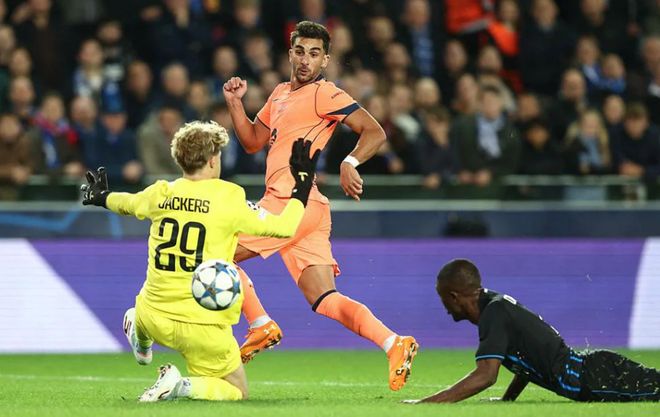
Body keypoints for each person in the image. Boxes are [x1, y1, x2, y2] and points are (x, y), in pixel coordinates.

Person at [223, 20, 418, 391]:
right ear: (290, 53)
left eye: (314, 54)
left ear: (325, 60)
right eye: (300, 51)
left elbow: (374, 131)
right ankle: (394, 342)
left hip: (289, 203)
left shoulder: (324, 93)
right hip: (306, 207)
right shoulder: (280, 93)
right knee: (325, 299)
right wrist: (234, 103)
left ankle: (260, 323)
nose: (305, 60)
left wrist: (349, 162)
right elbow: (252, 141)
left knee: (217, 253)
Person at [80, 121, 320, 402]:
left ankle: (141, 337)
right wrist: (301, 187)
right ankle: (180, 385)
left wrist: (102, 196)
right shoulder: (229, 197)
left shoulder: (160, 192)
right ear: (213, 160)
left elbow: (128, 203)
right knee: (237, 391)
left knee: (140, 309)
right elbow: (284, 228)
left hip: (153, 314)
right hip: (202, 328)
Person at [403, 259, 660, 404]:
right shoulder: (495, 307)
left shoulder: (494, 313)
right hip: (592, 371)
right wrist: (507, 400)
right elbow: (527, 357)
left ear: (454, 296)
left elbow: (486, 376)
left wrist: (427, 404)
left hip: (593, 378)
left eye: (443, 299)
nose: (444, 308)